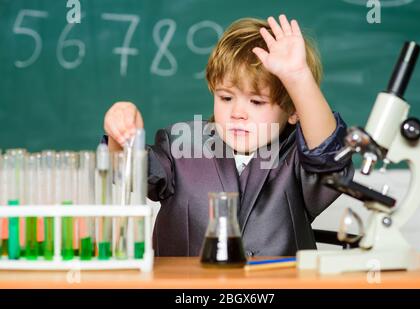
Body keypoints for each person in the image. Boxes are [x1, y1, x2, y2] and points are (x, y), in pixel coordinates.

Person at [103, 15, 353, 256]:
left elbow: (328, 156)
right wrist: (120, 133)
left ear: (293, 110)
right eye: (225, 98)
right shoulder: (181, 145)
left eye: (256, 101)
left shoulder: (297, 160)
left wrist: (299, 78)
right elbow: (128, 171)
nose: (238, 113)